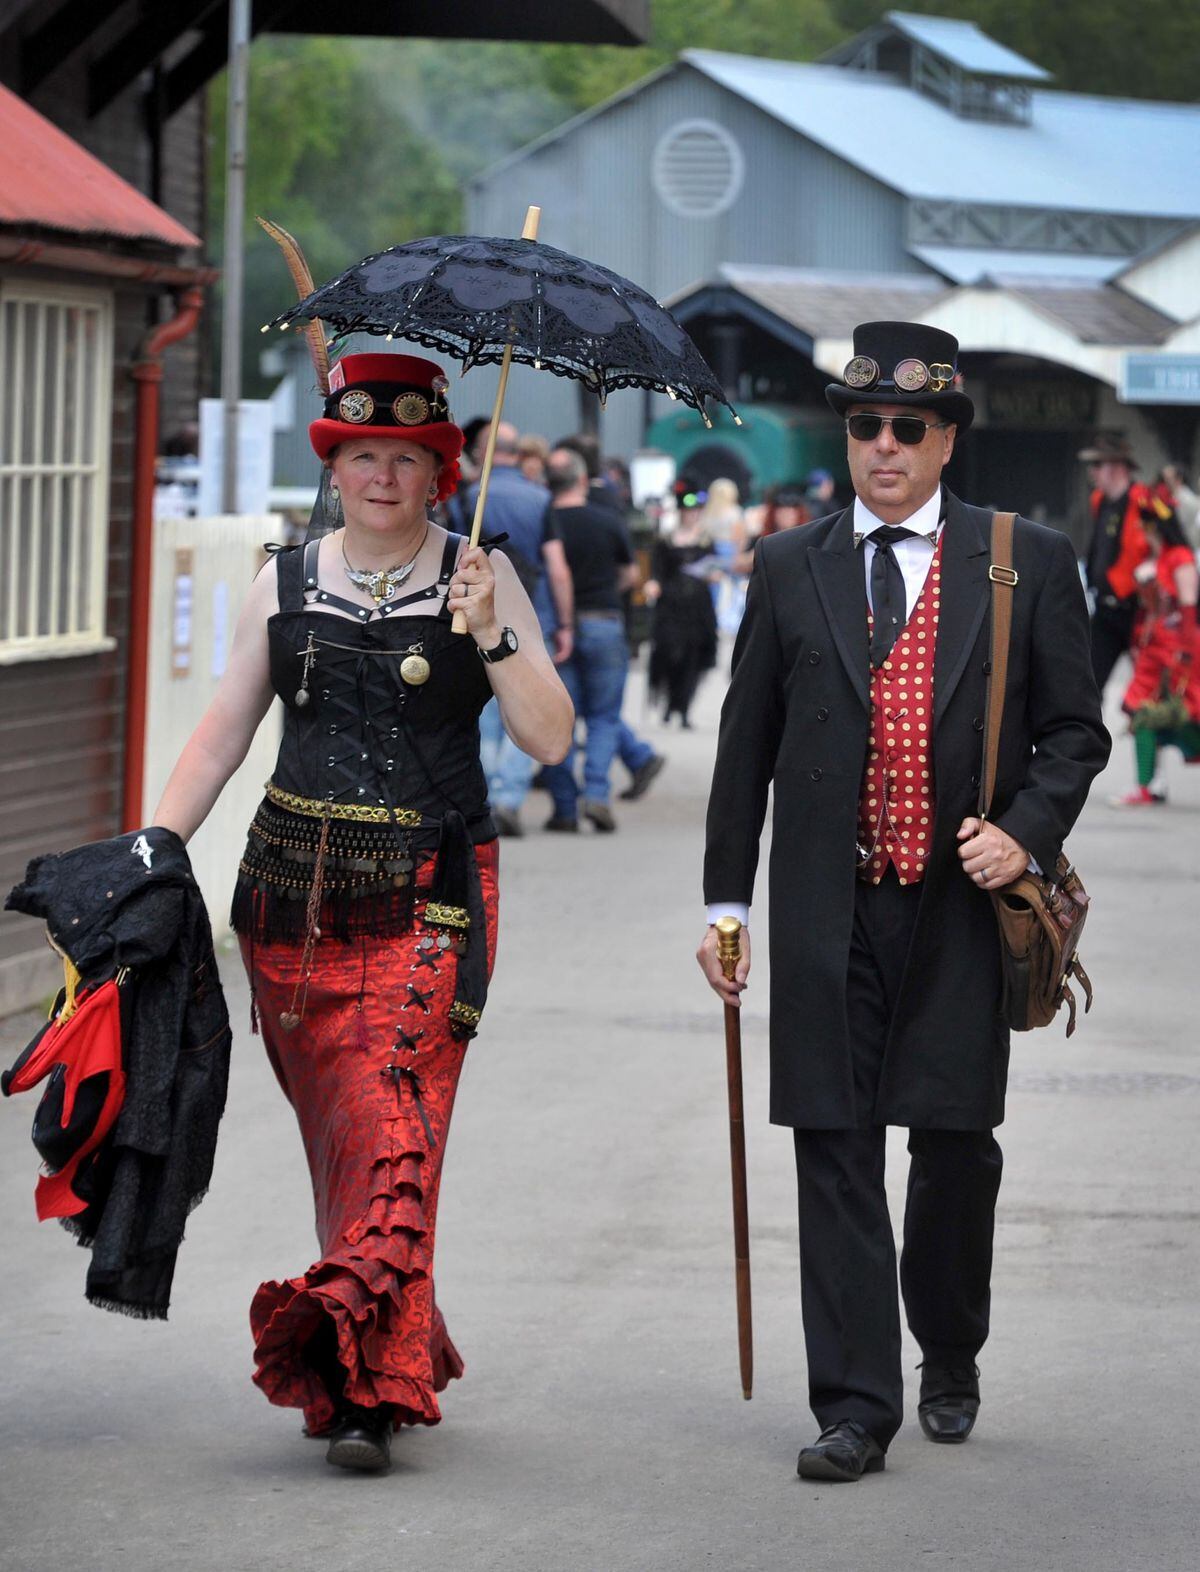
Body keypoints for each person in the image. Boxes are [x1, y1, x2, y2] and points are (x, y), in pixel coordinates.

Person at [698, 321, 1109, 1483]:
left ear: (946, 440)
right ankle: (854, 1406)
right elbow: (745, 750)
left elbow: (1077, 733)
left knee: (953, 1144)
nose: (883, 444)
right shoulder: (790, 565)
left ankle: (952, 1349)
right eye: (864, 423)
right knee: (831, 1144)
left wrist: (1022, 833)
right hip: (828, 907)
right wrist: (725, 903)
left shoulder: (1024, 559)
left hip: (960, 914)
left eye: (907, 427)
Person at [150, 353, 573, 1473]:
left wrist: (491, 630)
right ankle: (390, 1330)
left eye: (409, 458)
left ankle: (365, 1391)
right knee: (345, 1142)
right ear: (332, 466)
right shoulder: (284, 581)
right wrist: (159, 843)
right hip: (288, 908)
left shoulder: (487, 576)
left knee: (397, 1131)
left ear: (443, 473)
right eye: (363, 456)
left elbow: (550, 738)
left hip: (433, 900)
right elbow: (222, 731)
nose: (384, 476)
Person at [463, 421, 574, 836]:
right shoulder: (541, 498)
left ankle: (490, 793)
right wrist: (565, 622)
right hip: (531, 612)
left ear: (482, 451)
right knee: (521, 702)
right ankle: (510, 796)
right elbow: (558, 568)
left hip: (473, 611)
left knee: (486, 715)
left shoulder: (469, 497)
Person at [540, 446, 640, 832]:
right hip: (604, 621)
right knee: (603, 717)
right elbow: (630, 574)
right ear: (583, 480)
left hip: (558, 629)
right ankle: (597, 797)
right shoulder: (607, 519)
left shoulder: (547, 520)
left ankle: (564, 808)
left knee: (560, 720)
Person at [1111, 494, 1200, 806]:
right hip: (1154, 651)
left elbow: (1188, 610)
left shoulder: (1180, 558)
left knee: (1182, 716)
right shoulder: (1158, 558)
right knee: (1145, 714)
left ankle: (1150, 785)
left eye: (1145, 525)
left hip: (1178, 653)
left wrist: (1186, 656)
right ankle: (1150, 785)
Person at [1079, 433, 1151, 694]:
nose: (1093, 472)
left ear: (1119, 467)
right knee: (1088, 686)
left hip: (1137, 610)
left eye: (1098, 465)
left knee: (1149, 686)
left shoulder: (1144, 502)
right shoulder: (1099, 500)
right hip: (1105, 608)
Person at [645, 503, 719, 728]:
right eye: (687, 510)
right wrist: (653, 584)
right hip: (671, 606)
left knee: (693, 658)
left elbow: (714, 569)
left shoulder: (707, 540)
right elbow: (656, 570)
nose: (691, 514)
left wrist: (714, 574)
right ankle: (669, 703)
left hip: (698, 609)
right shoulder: (666, 540)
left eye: (696, 510)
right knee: (669, 655)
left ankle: (684, 708)